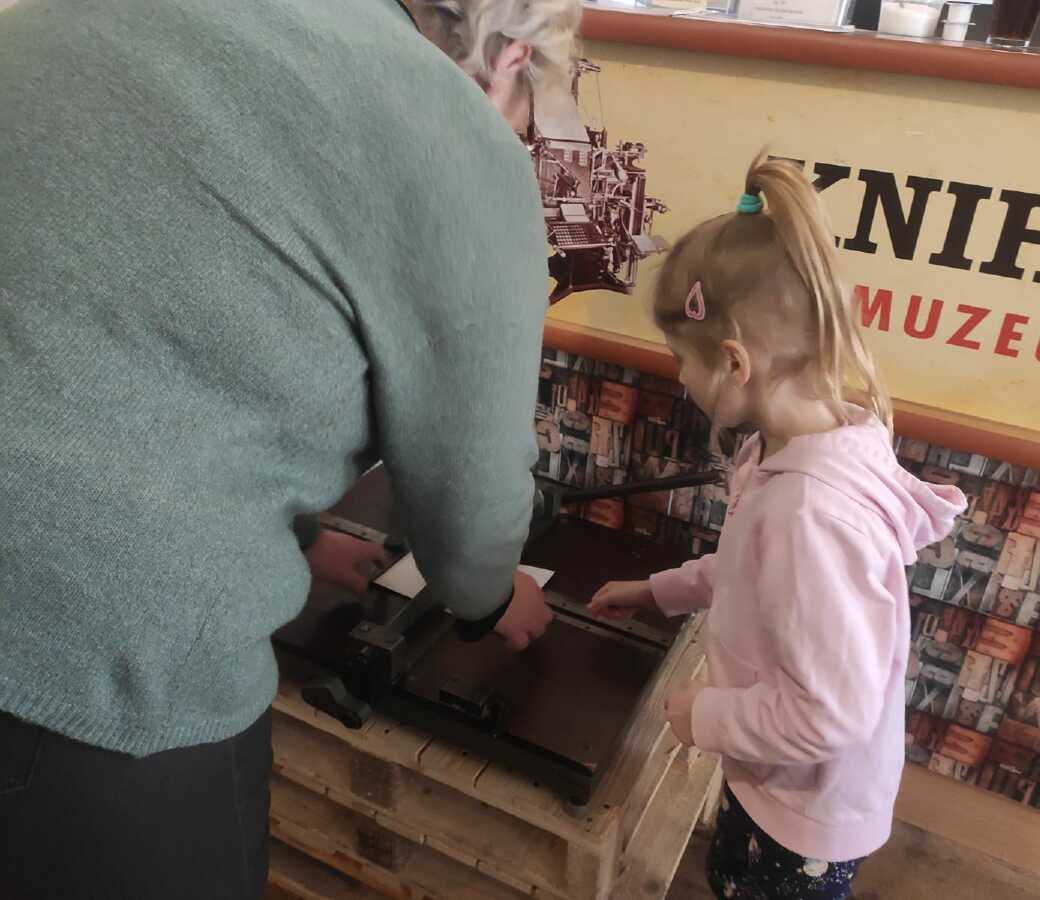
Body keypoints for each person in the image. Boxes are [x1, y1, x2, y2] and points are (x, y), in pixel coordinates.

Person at [0, 0, 577, 897]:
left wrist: (303, 538)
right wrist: (491, 594)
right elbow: (470, 505)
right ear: (509, 59)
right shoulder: (448, 124)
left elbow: (133, 334)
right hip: (98, 674)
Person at [589, 156, 967, 900]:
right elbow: (748, 570)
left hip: (805, 813)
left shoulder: (810, 515)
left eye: (681, 360)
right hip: (774, 772)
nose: (679, 378)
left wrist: (704, 715)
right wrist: (657, 590)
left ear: (734, 362)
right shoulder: (795, 445)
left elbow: (829, 716)